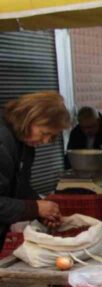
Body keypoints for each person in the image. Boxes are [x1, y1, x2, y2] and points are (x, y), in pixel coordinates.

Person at [1, 91, 70, 246]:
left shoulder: (24, 143)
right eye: (44, 133)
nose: (45, 141)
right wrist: (35, 208)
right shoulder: (3, 141)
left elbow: (20, 186)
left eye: (51, 137)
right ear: (29, 118)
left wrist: (43, 211)